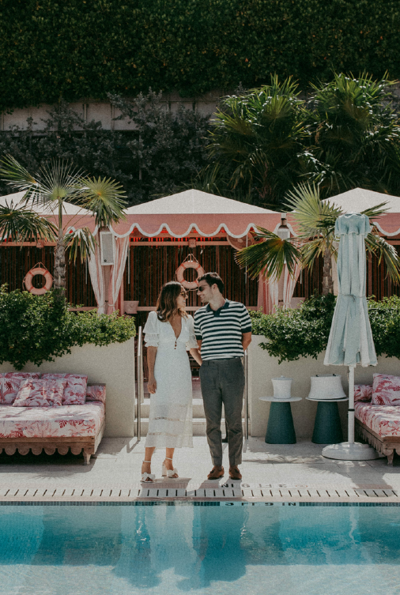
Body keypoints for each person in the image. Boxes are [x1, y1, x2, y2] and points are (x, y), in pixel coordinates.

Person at [141, 281, 202, 482]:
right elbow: (151, 348)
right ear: (171, 296)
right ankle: (146, 464)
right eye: (182, 294)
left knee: (175, 417)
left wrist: (204, 364)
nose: (186, 297)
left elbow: (192, 347)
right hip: (162, 372)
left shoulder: (188, 319)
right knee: (158, 416)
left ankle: (168, 461)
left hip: (181, 372)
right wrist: (151, 377)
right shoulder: (154, 318)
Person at [194, 272, 252, 481]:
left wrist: (231, 356)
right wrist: (210, 362)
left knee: (234, 420)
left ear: (214, 287)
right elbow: (199, 344)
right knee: (212, 422)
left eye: (201, 288)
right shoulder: (199, 315)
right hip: (209, 370)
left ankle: (234, 465)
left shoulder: (239, 309)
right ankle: (216, 465)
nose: (198, 293)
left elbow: (247, 338)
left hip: (233, 368)